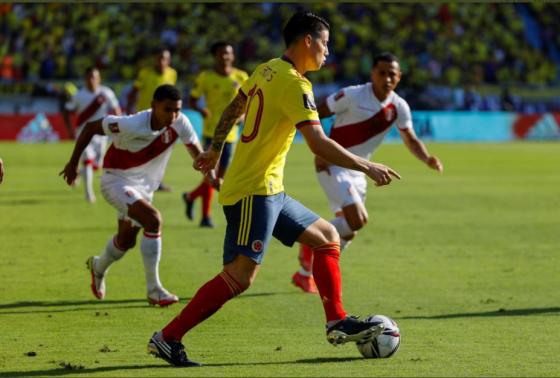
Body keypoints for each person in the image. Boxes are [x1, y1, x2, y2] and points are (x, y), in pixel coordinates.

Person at [147, 11, 401, 367]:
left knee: (327, 236)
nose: (328, 51)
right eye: (325, 43)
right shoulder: (295, 85)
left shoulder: (267, 69)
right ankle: (168, 337)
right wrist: (366, 165)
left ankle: (336, 321)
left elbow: (234, 106)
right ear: (307, 41)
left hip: (268, 189)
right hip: (255, 191)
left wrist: (215, 148)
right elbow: (317, 142)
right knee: (240, 276)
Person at [292, 52, 444, 293]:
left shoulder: (399, 106)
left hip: (359, 169)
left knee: (348, 230)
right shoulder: (352, 95)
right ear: (372, 73)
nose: (386, 78)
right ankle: (310, 243)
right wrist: (319, 145)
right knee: (357, 219)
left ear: (399, 77)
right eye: (381, 72)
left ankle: (306, 272)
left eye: (391, 74)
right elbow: (317, 111)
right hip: (332, 163)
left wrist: (427, 158)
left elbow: (410, 138)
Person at [60, 84, 206, 307]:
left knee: (125, 241)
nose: (173, 115)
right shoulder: (131, 123)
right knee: (153, 220)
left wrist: (212, 175)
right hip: (115, 181)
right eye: (167, 109)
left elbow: (198, 154)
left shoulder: (180, 123)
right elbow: (90, 127)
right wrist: (72, 164)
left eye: (177, 109)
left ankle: (98, 267)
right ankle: (154, 290)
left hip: (143, 188)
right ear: (153, 106)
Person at [183, 41, 249, 228]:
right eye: (221, 53)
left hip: (231, 135)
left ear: (233, 56)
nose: (225, 57)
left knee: (219, 178)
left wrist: (242, 116)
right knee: (210, 176)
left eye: (228, 53)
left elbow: (252, 102)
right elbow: (193, 99)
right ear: (215, 56)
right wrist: (201, 110)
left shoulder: (241, 76)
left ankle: (190, 197)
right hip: (211, 133)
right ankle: (205, 217)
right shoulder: (206, 77)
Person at [63, 67, 122, 203]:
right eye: (89, 77)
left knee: (97, 166)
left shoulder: (106, 93)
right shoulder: (78, 95)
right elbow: (67, 110)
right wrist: (70, 129)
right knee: (87, 160)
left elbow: (116, 108)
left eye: (94, 77)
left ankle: (79, 174)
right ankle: (89, 194)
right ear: (85, 79)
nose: (91, 80)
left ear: (99, 79)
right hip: (84, 135)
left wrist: (120, 126)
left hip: (102, 134)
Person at [126, 48, 177, 192]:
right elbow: (133, 92)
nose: (161, 62)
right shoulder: (145, 73)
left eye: (164, 59)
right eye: (159, 58)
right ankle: (133, 179)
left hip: (163, 119)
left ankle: (156, 182)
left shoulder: (172, 74)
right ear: (155, 59)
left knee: (161, 151)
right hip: (145, 117)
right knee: (140, 149)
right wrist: (129, 111)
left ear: (168, 61)